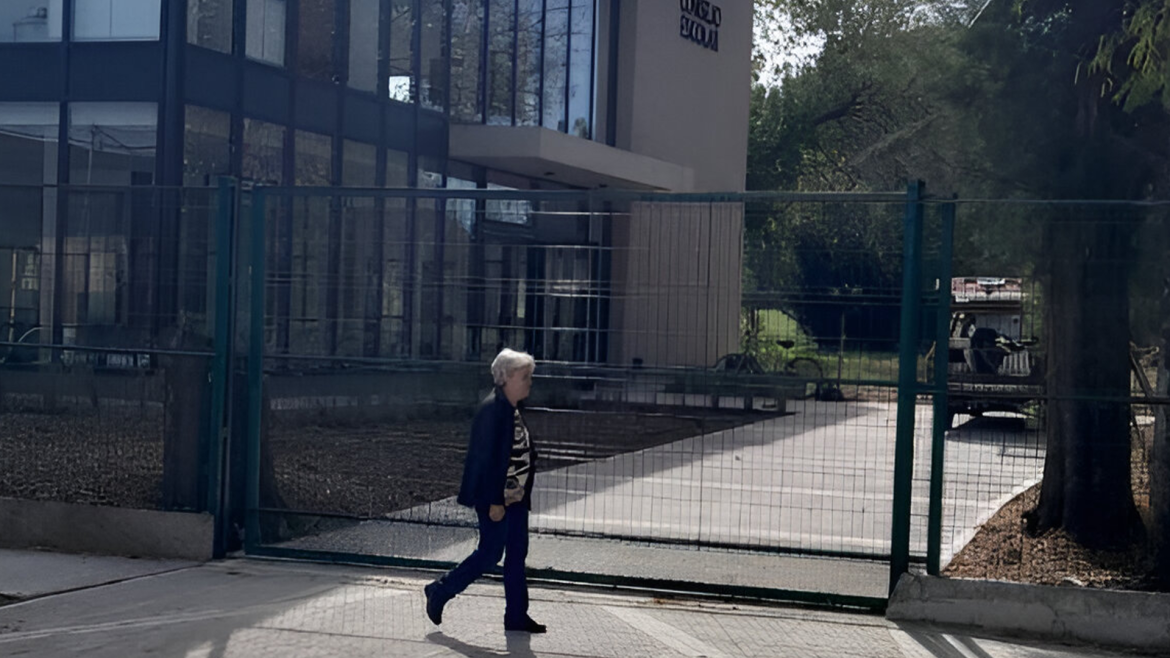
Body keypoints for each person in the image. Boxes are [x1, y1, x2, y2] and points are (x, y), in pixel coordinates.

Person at [424, 348, 545, 633]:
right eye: (525, 376)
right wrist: (494, 501)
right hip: (498, 500)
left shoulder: (511, 409)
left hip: (515, 499)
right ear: (507, 377)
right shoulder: (492, 410)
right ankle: (441, 589)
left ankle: (516, 616)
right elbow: (484, 460)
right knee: (490, 553)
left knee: (516, 554)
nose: (529, 382)